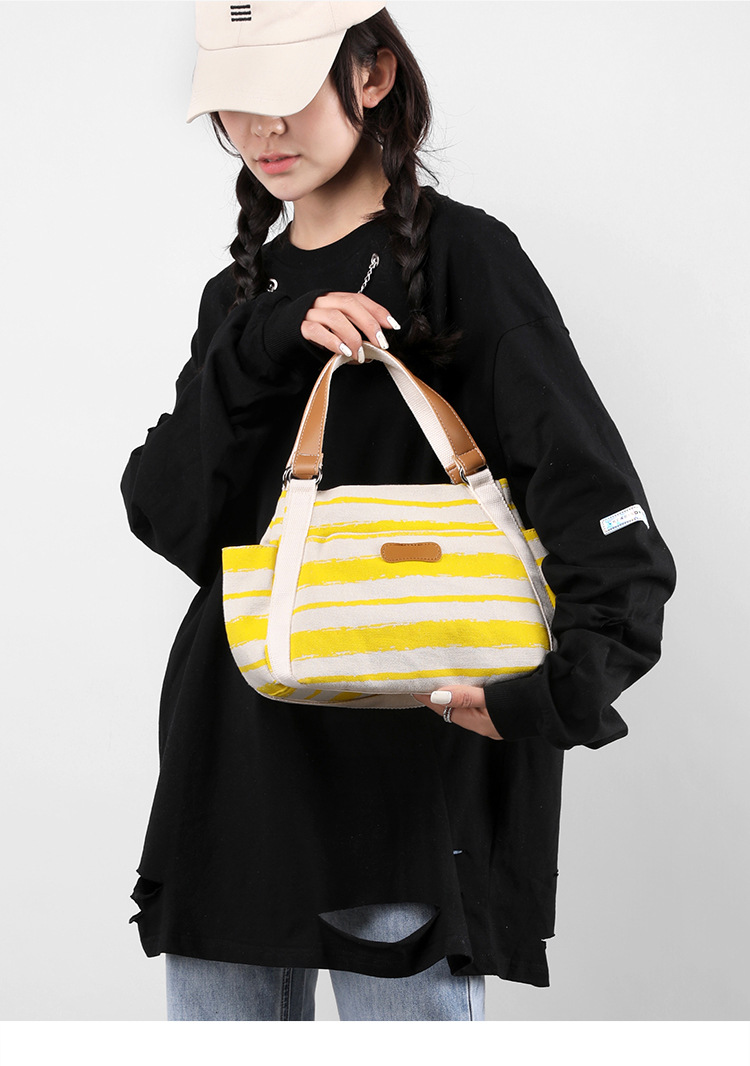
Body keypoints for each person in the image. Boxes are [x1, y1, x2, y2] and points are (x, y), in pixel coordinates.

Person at [121, 2, 677, 1022]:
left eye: (288, 91)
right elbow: (172, 518)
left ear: (372, 76)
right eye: (235, 102)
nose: (262, 128)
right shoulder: (240, 298)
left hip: (411, 764)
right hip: (234, 767)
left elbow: (602, 512)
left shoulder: (467, 259)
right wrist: (265, 338)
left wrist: (550, 696)